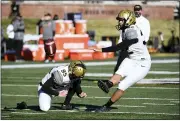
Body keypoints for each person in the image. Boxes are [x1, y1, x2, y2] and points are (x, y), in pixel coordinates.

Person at [91, 10, 151, 112]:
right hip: (131, 59)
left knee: (122, 85)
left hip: (142, 63)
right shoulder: (125, 29)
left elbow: (121, 46)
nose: (119, 22)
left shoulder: (132, 30)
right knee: (118, 73)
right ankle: (108, 84)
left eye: (121, 20)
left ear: (128, 20)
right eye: (119, 20)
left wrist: (102, 49)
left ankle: (106, 106)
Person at [113, 5, 150, 74]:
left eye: (138, 10)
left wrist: (143, 43)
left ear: (141, 11)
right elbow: (123, 32)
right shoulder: (129, 19)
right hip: (126, 44)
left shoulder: (145, 21)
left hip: (137, 46)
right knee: (120, 61)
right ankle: (114, 77)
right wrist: (120, 42)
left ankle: (134, 76)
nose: (137, 11)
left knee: (136, 63)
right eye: (136, 10)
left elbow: (146, 34)